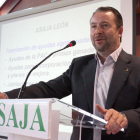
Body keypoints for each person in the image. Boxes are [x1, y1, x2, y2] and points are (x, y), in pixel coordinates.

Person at [0, 6, 140, 140]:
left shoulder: (136, 66)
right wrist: (7, 97)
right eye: (93, 26)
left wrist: (126, 118)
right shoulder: (79, 66)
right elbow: (48, 89)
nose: (97, 31)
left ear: (120, 31)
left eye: (104, 25)